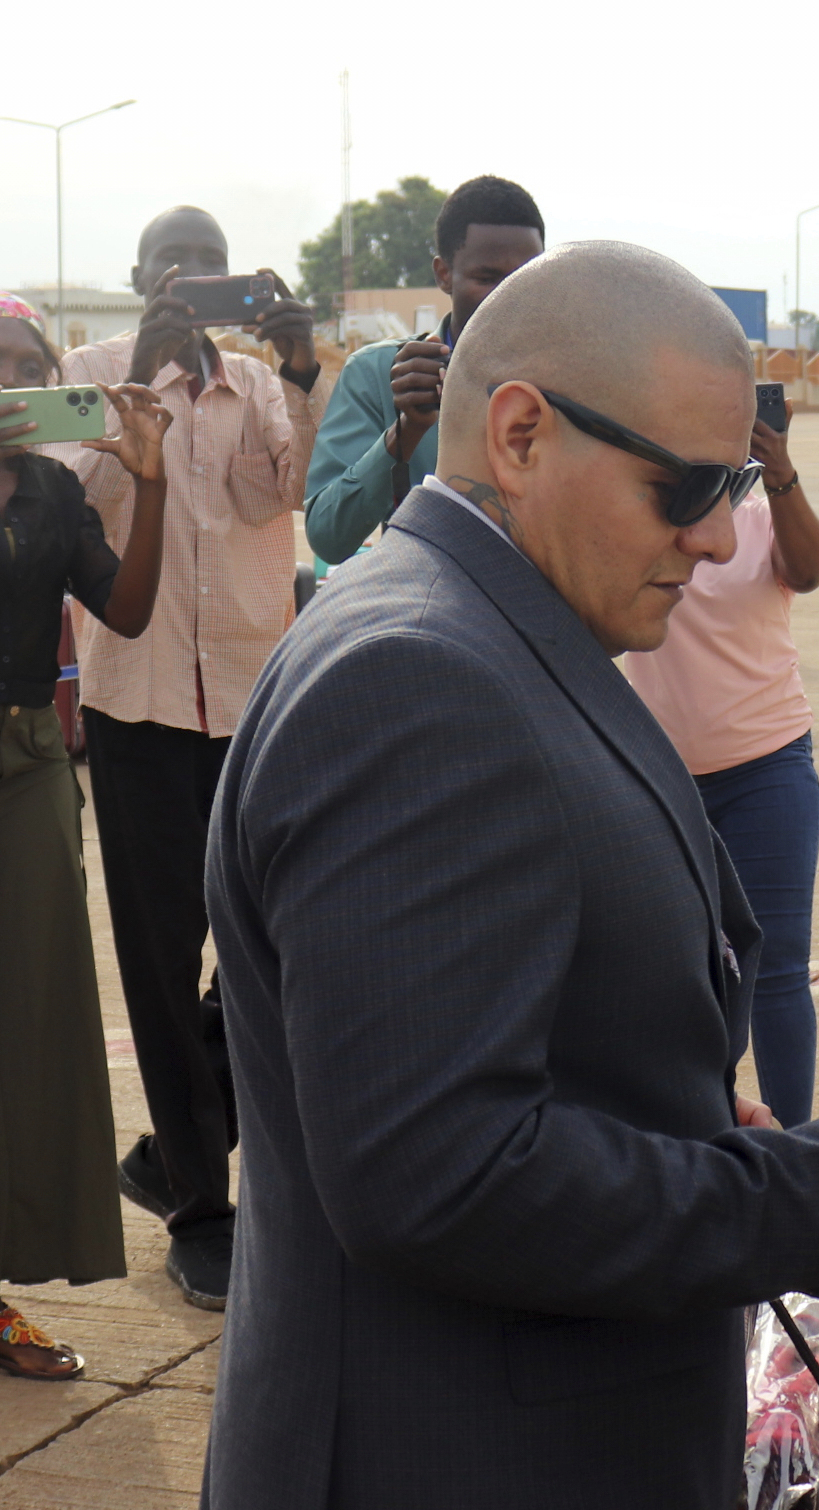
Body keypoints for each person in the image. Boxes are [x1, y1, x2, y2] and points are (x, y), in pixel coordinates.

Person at [202, 240, 819, 1507]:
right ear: (523, 435)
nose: (714, 535)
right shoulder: (415, 679)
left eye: (738, 481)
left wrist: (685, 1113)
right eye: (684, 485)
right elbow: (438, 1173)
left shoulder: (493, 629)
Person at [55, 205, 329, 1313]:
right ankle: (201, 1209)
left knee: (273, 944)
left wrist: (303, 366)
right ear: (138, 283)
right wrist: (150, 398)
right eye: (173, 272)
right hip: (142, 712)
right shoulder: (92, 371)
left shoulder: (259, 382)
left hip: (256, 705)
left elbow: (287, 490)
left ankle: (176, 1144)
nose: (191, 286)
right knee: (161, 965)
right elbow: (71, 499)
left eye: (210, 274)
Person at [0, 299, 169, 1380]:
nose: (12, 379)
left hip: (28, 770)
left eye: (28, 365)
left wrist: (150, 480)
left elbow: (133, 612)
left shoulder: (59, 493)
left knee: (36, 1032)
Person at [624, 398, 819, 1127]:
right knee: (676, 980)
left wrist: (781, 475)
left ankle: (791, 1154)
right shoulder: (641, 498)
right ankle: (703, 1143)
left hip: (766, 767)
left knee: (775, 975)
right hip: (656, 776)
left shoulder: (757, 502)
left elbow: (809, 570)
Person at [303, 175, 546, 566]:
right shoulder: (378, 375)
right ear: (444, 274)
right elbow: (329, 537)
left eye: (525, 278)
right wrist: (406, 432)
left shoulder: (572, 376)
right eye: (487, 278)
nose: (509, 297)